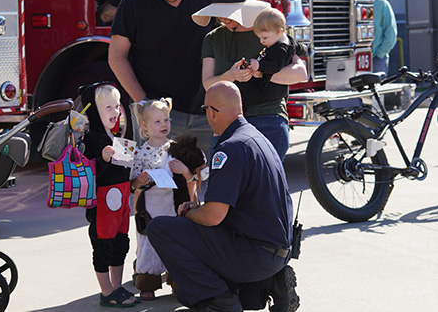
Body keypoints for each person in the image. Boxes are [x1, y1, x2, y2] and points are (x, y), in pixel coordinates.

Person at [147, 81, 299, 312]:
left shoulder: (230, 148)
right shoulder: (257, 138)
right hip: (277, 252)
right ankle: (269, 283)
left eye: (205, 110)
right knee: (203, 244)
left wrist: (189, 211)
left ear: (212, 112)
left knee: (161, 229)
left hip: (256, 255)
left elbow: (213, 216)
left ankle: (219, 301)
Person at [109, 0, 214, 152]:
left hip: (205, 111)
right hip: (156, 114)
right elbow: (116, 56)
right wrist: (144, 104)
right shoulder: (133, 2)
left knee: (205, 178)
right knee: (154, 181)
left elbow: (225, 43)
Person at [192, 0, 307, 160]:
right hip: (227, 122)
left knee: (264, 186)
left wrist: (260, 72)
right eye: (219, 12)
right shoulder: (212, 39)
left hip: (268, 116)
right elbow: (208, 85)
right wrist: (231, 75)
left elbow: (300, 73)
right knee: (226, 183)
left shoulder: (266, 30)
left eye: (228, 13)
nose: (223, 18)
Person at [130, 98, 200, 300]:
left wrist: (185, 170)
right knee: (148, 244)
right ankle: (147, 282)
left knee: (177, 243)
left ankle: (177, 281)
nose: (164, 125)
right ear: (144, 125)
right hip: (150, 207)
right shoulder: (141, 153)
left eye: (167, 120)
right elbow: (133, 184)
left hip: (174, 205)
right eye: (158, 122)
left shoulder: (178, 149)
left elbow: (193, 178)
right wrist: (139, 182)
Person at [79, 82, 139, 308]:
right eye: (108, 108)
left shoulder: (114, 136)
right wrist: (101, 160)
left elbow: (125, 168)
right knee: (103, 244)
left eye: (117, 106)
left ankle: (117, 285)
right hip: (103, 202)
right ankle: (106, 291)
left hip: (122, 199)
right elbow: (89, 175)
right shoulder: (92, 138)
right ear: (94, 111)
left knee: (121, 242)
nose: (115, 112)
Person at [248, 7, 309, 109]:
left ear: (278, 32)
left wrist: (260, 66)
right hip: (280, 90)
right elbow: (299, 48)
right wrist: (305, 50)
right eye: (259, 38)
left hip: (271, 91)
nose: (261, 42)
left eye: (264, 38)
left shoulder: (280, 49)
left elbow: (276, 67)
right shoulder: (289, 41)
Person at [370, 0, 397, 76]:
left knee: (378, 88)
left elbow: (391, 34)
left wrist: (380, 54)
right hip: (356, 59)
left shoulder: (382, 4)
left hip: (377, 58)